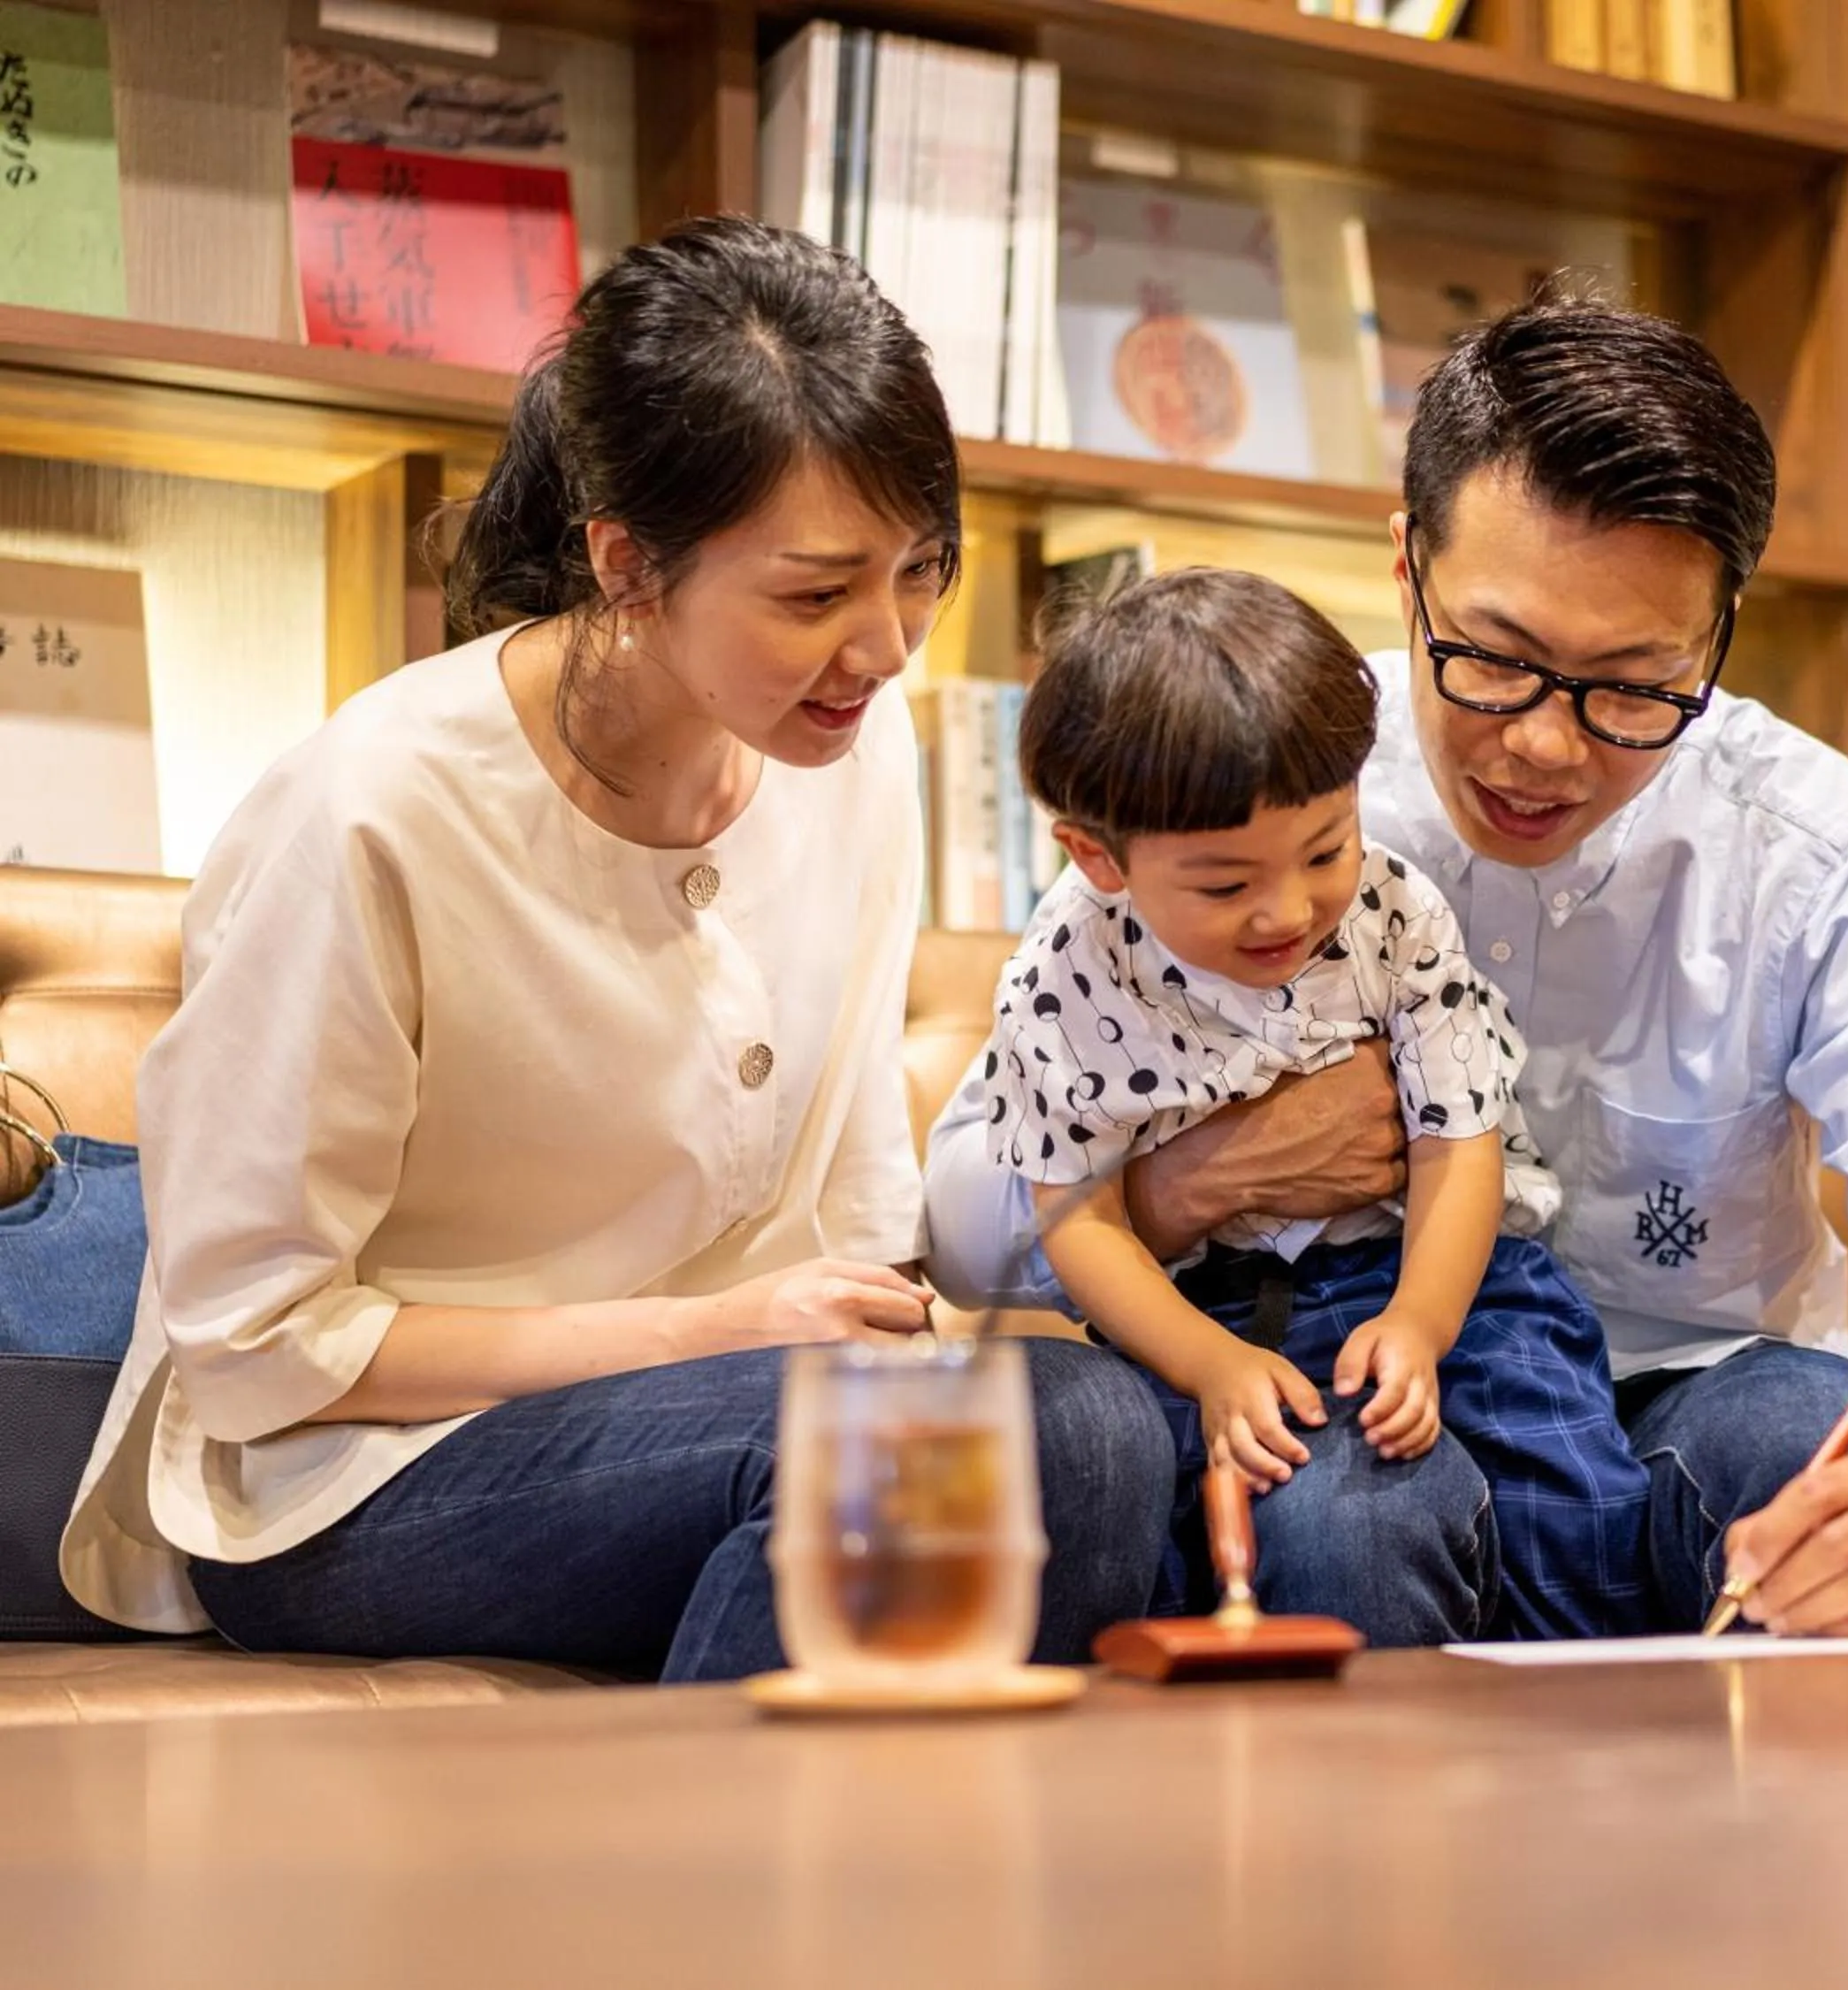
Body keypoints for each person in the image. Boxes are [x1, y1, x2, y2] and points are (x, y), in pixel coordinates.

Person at [57, 217, 1172, 1680]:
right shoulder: (370, 812)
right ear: (629, 566)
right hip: (356, 1474)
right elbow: (255, 1346)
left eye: (922, 569)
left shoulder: (854, 753)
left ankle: (826, 1820)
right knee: (943, 1450)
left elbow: (851, 1212)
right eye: (816, 592)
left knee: (1096, 1430)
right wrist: (712, 1333)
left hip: (732, 1403)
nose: (889, 644)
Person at [928, 295, 1848, 1642]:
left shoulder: (1815, 851)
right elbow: (966, 1222)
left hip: (1691, 1385)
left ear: (1718, 635)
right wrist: (1197, 1182)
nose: (1546, 746)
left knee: (1808, 1447)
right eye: (1495, 660)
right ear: (1406, 569)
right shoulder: (1259, 781)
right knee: (1346, 1519)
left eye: (1635, 684)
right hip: (1341, 1372)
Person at [986, 569, 1646, 1642]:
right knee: (1205, 1526)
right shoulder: (1063, 975)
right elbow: (1076, 1215)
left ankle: (1588, 1714)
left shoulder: (1393, 908)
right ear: (1099, 856)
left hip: (1447, 1269)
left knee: (1570, 1492)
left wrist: (1422, 1323)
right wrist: (1207, 1365)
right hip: (1210, 1310)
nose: (1288, 911)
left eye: (1325, 850)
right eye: (1224, 886)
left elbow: (1457, 1142)